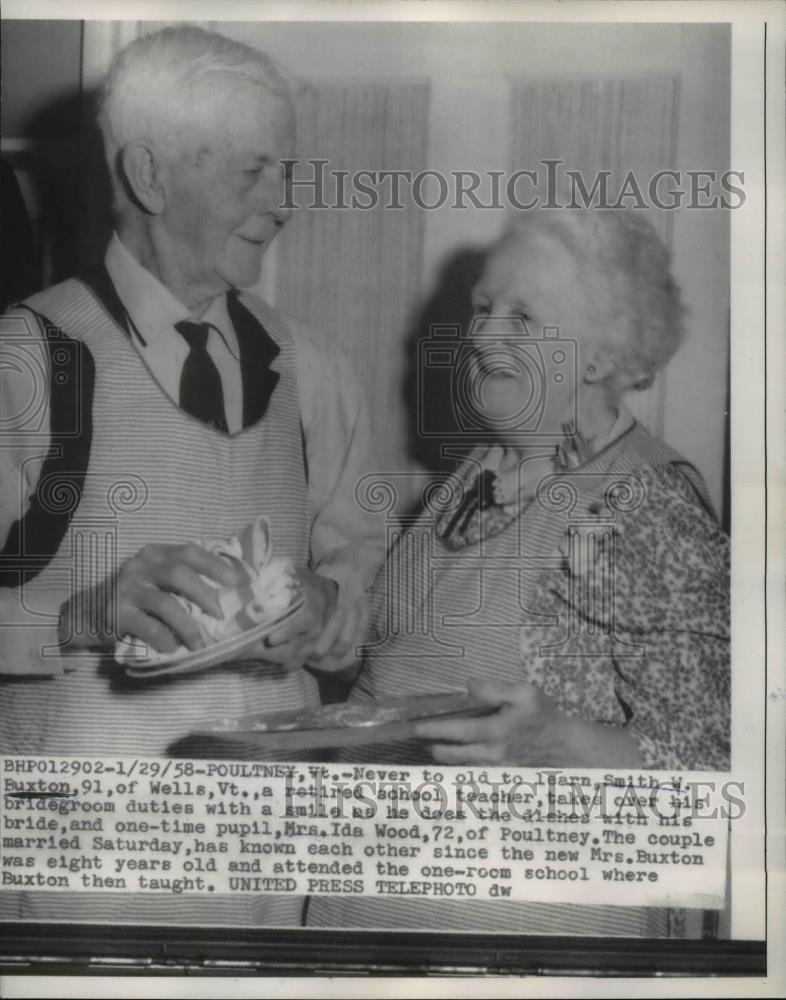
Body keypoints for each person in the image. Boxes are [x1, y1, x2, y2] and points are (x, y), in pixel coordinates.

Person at [0, 26, 385, 925]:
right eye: (255, 172)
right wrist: (80, 615)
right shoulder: (25, 358)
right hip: (85, 877)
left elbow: (368, 572)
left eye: (287, 172)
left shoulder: (313, 367)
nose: (285, 201)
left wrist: (333, 611)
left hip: (268, 870)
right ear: (150, 175)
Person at [307, 208, 730, 935]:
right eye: (482, 306)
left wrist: (567, 745)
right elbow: (405, 666)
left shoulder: (646, 501)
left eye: (523, 316)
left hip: (525, 932)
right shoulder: (476, 474)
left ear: (597, 357)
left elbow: (717, 761)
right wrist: (325, 622)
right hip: (373, 910)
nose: (481, 334)